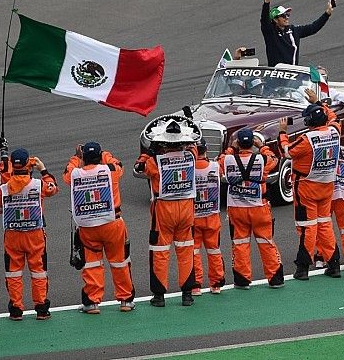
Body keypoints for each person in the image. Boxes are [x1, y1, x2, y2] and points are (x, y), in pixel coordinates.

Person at [134, 117, 198, 307]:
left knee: (160, 251)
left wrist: (148, 151)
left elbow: (139, 168)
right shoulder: (191, 156)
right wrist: (191, 121)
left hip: (163, 210)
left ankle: (159, 296)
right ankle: (187, 294)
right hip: (186, 208)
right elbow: (195, 144)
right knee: (186, 250)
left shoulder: (154, 162)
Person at [64, 142, 135, 314]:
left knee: (92, 265)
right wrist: (104, 154)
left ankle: (92, 302)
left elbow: (67, 173)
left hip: (88, 227)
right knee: (120, 262)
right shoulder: (111, 171)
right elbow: (119, 164)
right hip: (112, 224)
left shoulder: (75, 173)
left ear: (83, 158)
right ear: (100, 157)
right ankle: (125, 300)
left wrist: (77, 157)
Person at [0, 146, 58, 321]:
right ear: (28, 164)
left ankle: (16, 309)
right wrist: (43, 170)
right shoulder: (38, 185)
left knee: (13, 272)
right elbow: (53, 188)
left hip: (13, 235)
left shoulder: (5, 188)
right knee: (38, 271)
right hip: (34, 234)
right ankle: (41, 308)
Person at [280, 103, 342, 280]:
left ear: (308, 121)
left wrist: (282, 133)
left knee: (307, 227)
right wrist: (321, 104)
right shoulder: (335, 131)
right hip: (327, 186)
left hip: (306, 188)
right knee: (325, 224)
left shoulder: (307, 139)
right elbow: (334, 118)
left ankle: (303, 267)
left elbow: (287, 152)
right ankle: (334, 264)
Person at [219, 129, 285, 289]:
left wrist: (231, 149)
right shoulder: (263, 159)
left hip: (237, 208)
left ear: (238, 143)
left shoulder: (228, 159)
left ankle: (242, 280)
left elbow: (218, 163)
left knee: (240, 243)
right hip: (259, 207)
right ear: (253, 143)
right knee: (266, 242)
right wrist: (262, 146)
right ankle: (275, 279)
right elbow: (275, 159)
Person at [260, 0, 333, 67]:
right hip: (275, 76)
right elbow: (264, 20)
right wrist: (267, 1)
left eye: (287, 15)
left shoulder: (294, 30)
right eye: (283, 16)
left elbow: (313, 28)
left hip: (292, 75)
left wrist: (327, 14)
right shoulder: (270, 32)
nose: (286, 17)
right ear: (275, 19)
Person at [191, 140, 225, 295]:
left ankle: (196, 284)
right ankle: (216, 284)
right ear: (206, 150)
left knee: (193, 251)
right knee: (214, 250)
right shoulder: (215, 166)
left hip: (193, 217)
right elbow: (226, 159)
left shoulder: (188, 168)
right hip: (212, 215)